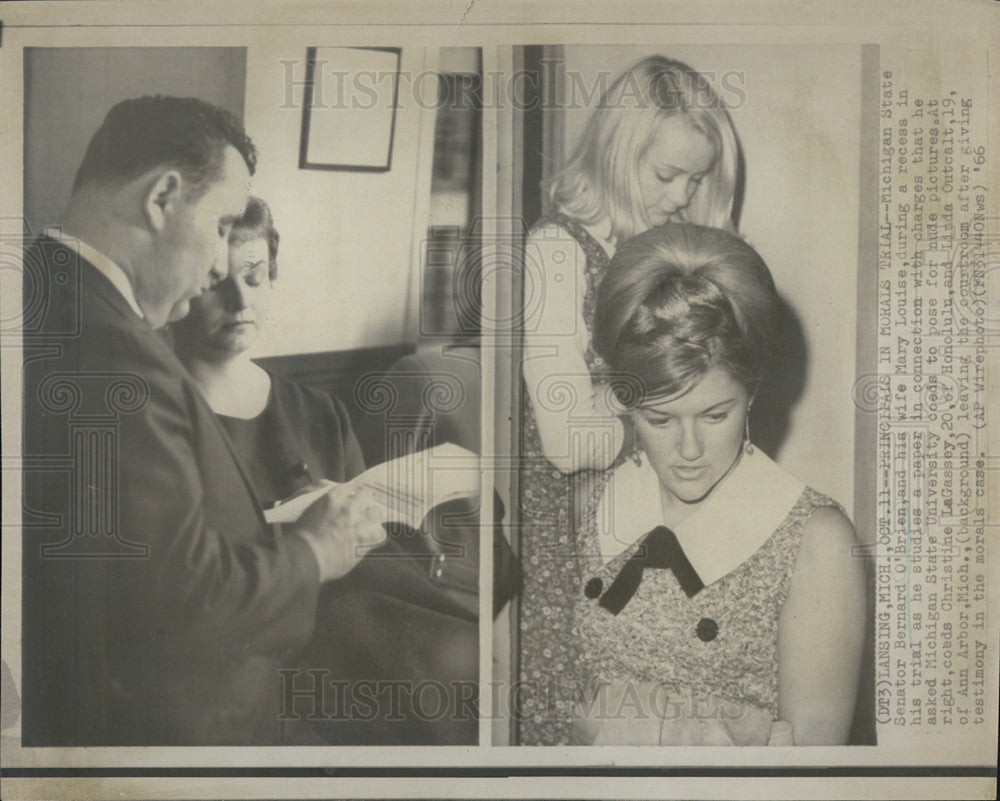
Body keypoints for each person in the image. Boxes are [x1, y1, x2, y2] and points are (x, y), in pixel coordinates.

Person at [21, 97, 383, 746]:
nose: (219, 266)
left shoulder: (46, 293)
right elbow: (182, 605)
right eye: (219, 226)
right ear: (162, 197)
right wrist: (315, 550)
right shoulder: (119, 357)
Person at [171, 197, 481, 744]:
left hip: (364, 621)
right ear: (181, 289)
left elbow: (375, 543)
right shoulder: (166, 420)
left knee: (469, 653)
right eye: (217, 280)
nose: (240, 299)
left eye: (255, 276)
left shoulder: (316, 410)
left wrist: (359, 512)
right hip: (276, 638)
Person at [568, 223, 867, 745]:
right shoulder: (598, 502)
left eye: (715, 415)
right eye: (659, 420)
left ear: (751, 394)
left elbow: (812, 777)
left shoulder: (816, 542)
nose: (688, 451)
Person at [518, 55, 741, 744]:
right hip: (574, 522)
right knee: (579, 706)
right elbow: (564, 443)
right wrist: (644, 406)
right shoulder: (558, 249)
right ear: (617, 154)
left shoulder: (666, 253)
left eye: (697, 178)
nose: (681, 194)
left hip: (655, 507)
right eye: (665, 174)